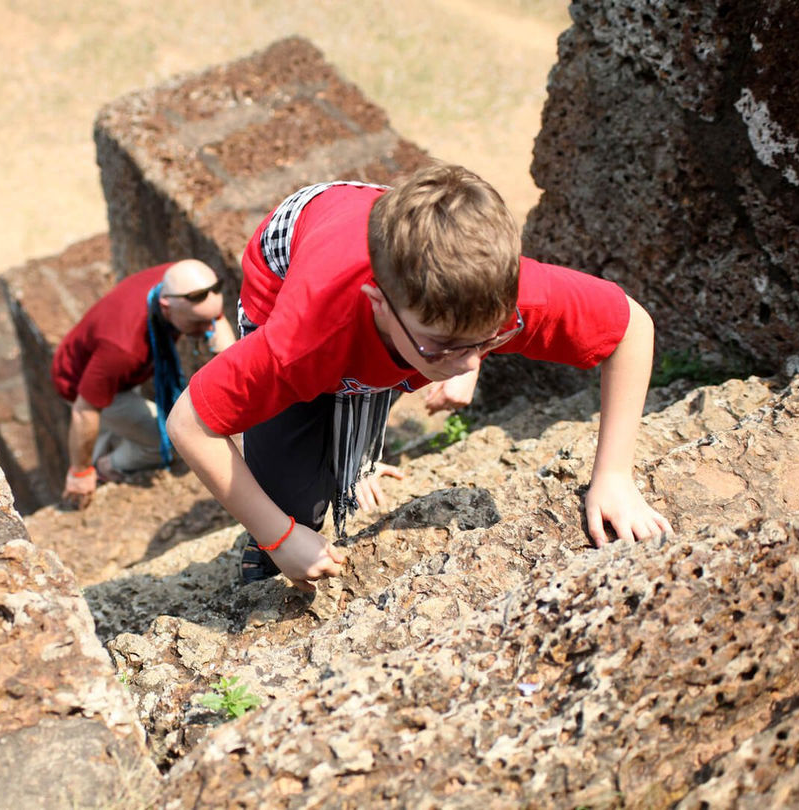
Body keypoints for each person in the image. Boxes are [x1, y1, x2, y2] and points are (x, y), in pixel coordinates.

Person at [166, 164, 673, 590]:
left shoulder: (504, 293)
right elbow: (190, 423)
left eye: (490, 338)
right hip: (290, 256)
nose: (471, 361)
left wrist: (613, 476)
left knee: (415, 357)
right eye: (449, 345)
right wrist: (278, 535)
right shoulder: (307, 337)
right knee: (294, 492)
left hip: (392, 248)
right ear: (380, 307)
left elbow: (632, 328)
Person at [51, 258, 236, 509]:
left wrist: (230, 359)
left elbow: (214, 319)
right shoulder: (123, 349)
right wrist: (79, 473)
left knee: (114, 424)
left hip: (114, 370)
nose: (208, 329)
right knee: (164, 442)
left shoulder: (182, 284)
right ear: (166, 307)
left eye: (211, 318)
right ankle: (106, 467)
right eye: (199, 324)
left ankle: (107, 442)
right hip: (82, 384)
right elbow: (85, 411)